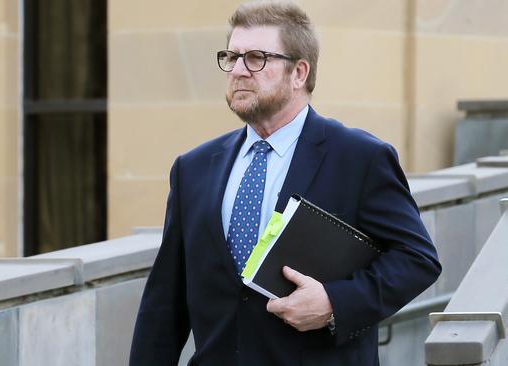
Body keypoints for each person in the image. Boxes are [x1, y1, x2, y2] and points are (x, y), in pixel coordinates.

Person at [129, 1, 441, 365]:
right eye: (232, 57)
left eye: (257, 58)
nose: (239, 71)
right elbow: (164, 303)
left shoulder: (359, 158)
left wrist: (334, 302)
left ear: (299, 73)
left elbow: (417, 259)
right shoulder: (193, 168)